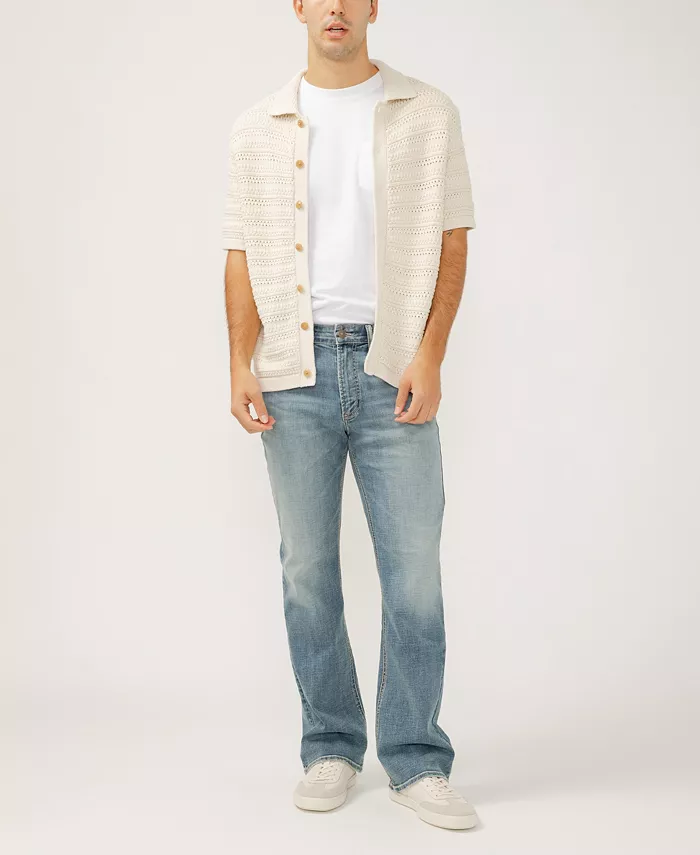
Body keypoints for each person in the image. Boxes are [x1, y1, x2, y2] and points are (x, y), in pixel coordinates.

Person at [222, 0, 478, 831]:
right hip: (291, 370)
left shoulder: (427, 112)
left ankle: (416, 757)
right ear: (298, 7)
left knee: (415, 572)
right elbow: (240, 251)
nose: (335, 6)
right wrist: (239, 360)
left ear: (373, 7)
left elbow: (452, 239)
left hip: (390, 363)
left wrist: (429, 353)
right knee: (307, 569)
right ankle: (330, 745)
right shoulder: (257, 128)